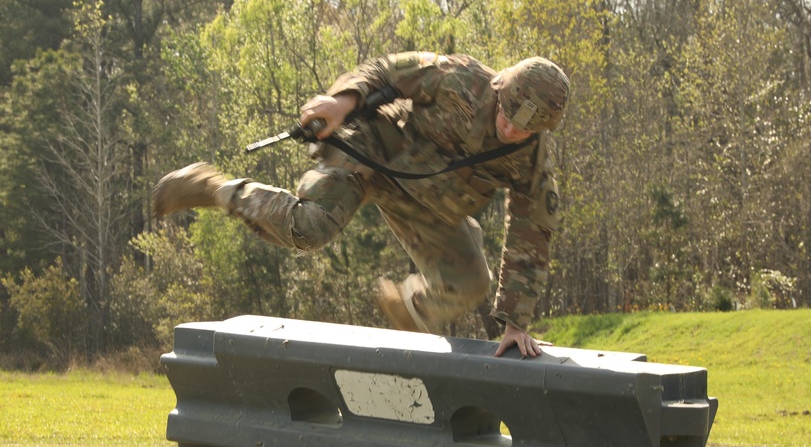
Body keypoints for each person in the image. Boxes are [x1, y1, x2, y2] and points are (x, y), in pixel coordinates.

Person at [152, 51, 569, 359]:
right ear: (501, 89)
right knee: (310, 228)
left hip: (425, 201)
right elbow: (386, 70)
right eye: (507, 114)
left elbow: (532, 235)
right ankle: (213, 189)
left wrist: (516, 324)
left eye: (523, 127)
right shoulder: (460, 77)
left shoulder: (532, 161)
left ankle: (411, 310)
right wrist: (342, 100)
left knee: (471, 282)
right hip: (373, 149)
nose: (510, 127)